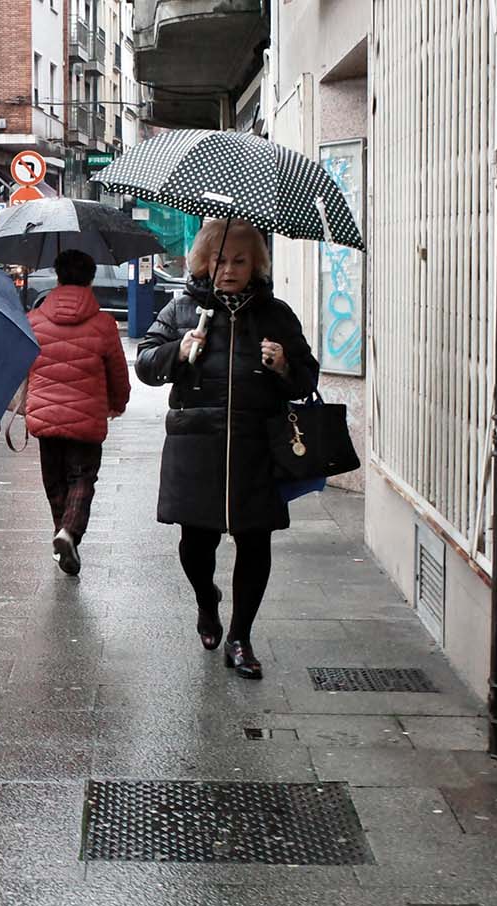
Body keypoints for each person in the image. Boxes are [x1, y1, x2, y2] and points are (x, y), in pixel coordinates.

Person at [135, 219, 319, 680]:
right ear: (202, 262)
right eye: (220, 260)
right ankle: (206, 599)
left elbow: (307, 377)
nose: (229, 269)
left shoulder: (275, 315)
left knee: (255, 541)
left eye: (240, 260)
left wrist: (283, 366)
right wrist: (179, 350)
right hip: (196, 445)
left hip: (257, 446)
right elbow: (145, 364)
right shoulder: (181, 311)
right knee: (196, 544)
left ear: (255, 264)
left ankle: (241, 637)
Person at [24, 248, 130, 576]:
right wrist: (118, 402)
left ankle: (63, 536)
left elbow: (21, 364)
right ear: (91, 278)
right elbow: (117, 372)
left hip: (44, 417)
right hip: (87, 418)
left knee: (55, 484)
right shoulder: (103, 324)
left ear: (57, 277)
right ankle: (68, 534)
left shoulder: (34, 320)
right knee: (82, 479)